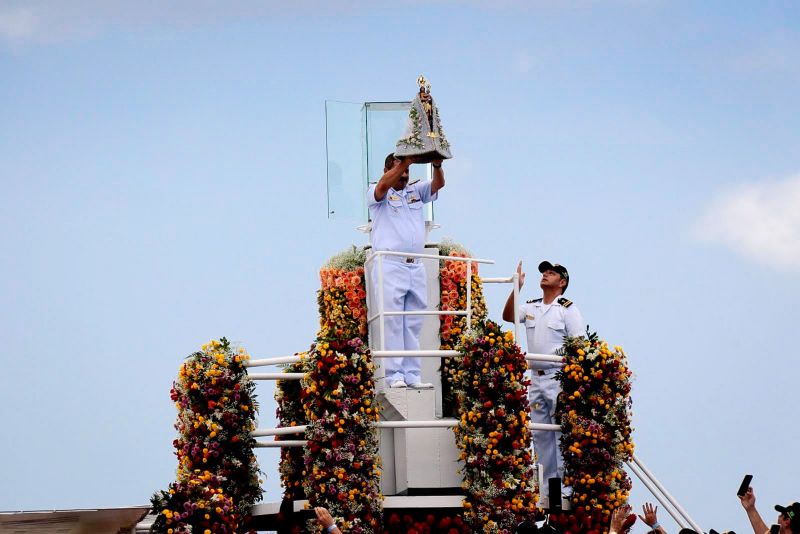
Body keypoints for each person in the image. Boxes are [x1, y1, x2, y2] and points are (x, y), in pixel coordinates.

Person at [502, 260, 585, 486]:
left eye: (551, 273)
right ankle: (548, 485)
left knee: (560, 433)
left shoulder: (568, 309)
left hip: (557, 378)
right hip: (536, 379)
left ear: (562, 282)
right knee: (540, 434)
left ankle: (565, 485)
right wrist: (516, 287)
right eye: (544, 272)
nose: (545, 275)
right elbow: (508, 316)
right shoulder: (531, 306)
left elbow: (579, 346)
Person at [367, 152, 445, 389]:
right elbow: (382, 186)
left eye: (407, 173)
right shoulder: (377, 191)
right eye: (400, 171)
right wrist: (404, 162)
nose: (404, 176)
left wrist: (437, 164)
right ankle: (394, 375)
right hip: (391, 264)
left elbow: (438, 184)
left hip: (415, 265)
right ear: (388, 169)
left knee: (413, 322)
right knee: (393, 321)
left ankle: (412, 374)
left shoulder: (414, 191)